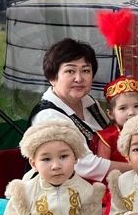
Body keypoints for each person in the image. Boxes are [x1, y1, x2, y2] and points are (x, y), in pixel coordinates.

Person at [29, 38, 131, 181]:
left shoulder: (88, 101)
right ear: (52, 77)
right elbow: (85, 166)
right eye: (70, 71)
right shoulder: (48, 116)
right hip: (64, 188)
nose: (79, 78)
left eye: (85, 71)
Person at [96, 77, 138, 164]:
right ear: (111, 114)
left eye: (137, 106)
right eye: (123, 108)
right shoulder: (107, 137)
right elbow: (103, 166)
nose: (131, 112)